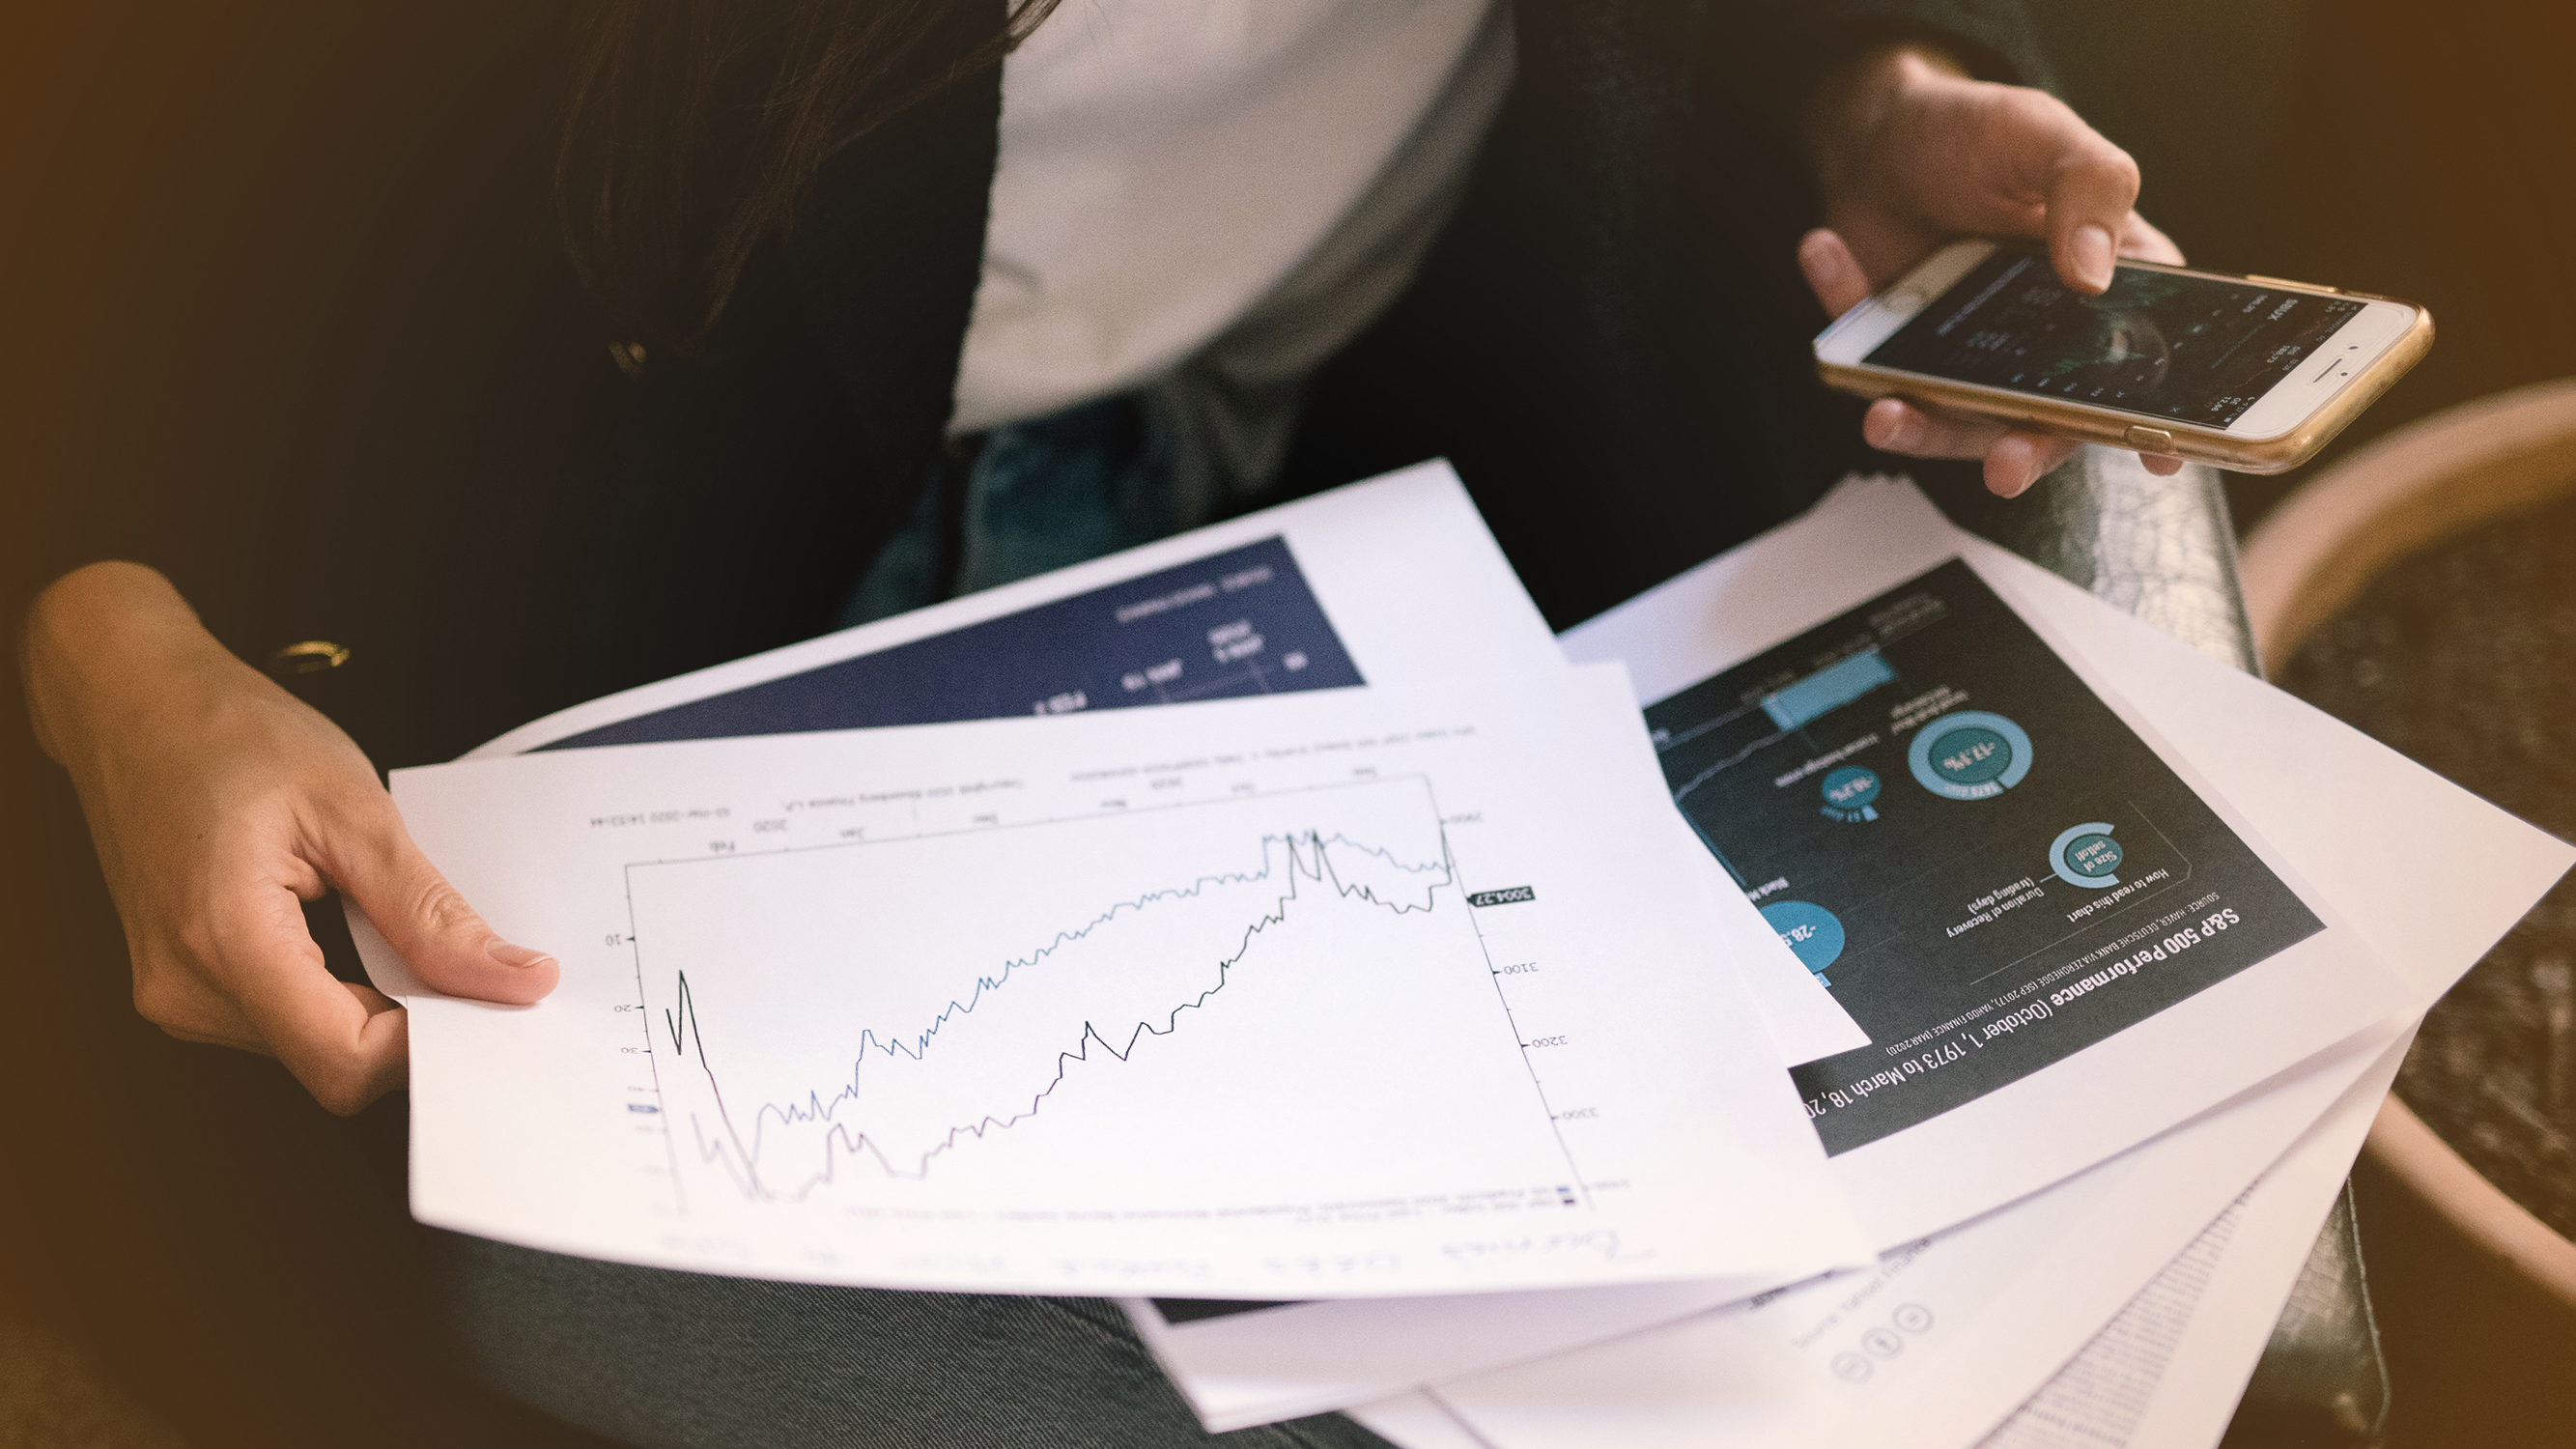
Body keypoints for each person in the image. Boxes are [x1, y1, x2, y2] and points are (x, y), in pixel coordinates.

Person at [9, 2, 2186, 1443]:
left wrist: (1863, 85)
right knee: (583, 1317)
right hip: (589, 556)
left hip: (1378, 421)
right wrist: (110, 639)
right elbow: (101, 189)